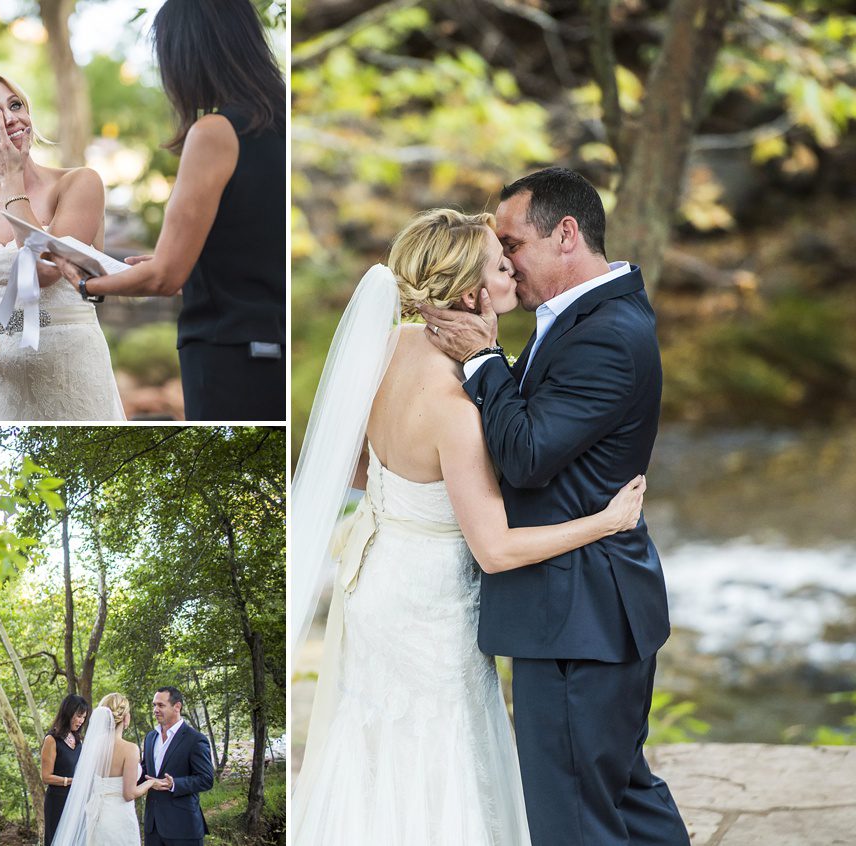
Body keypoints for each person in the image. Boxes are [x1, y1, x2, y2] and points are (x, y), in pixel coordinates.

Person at [290, 207, 649, 845]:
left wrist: (408, 494)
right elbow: (496, 549)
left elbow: (353, 467)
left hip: (378, 575)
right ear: (470, 294)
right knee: (442, 747)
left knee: (374, 742)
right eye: (501, 266)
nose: (514, 271)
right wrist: (604, 521)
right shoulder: (456, 407)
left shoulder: (387, 347)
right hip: (432, 602)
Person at [418, 168, 690, 846]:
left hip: (575, 613)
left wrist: (483, 360)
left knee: (570, 820)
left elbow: (528, 454)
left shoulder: (606, 334)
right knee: (624, 797)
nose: (504, 259)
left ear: (566, 234)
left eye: (512, 242)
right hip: (588, 607)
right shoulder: (579, 317)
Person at [48, 0, 286, 421]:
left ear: (189, 54)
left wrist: (86, 285)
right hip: (274, 349)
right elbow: (251, 249)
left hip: (227, 355)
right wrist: (187, 263)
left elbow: (163, 277)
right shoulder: (279, 121)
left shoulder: (215, 132)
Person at [0, 70, 125, 421]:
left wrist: (12, 180)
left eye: (15, 105)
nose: (10, 118)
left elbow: (44, 268)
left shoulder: (79, 183)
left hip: (72, 370)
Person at [51, 693, 160, 846]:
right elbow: (129, 794)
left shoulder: (92, 747)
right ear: (125, 717)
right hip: (119, 818)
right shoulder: (130, 749)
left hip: (96, 817)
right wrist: (151, 783)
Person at [139, 687, 213, 846]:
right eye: (154, 705)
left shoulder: (195, 739)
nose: (155, 710)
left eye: (161, 705)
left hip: (183, 827)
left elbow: (206, 779)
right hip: (153, 827)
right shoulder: (150, 737)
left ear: (177, 706)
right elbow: (145, 771)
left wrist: (174, 784)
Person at [42, 694, 90, 846]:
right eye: (79, 716)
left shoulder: (78, 740)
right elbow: (46, 777)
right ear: (68, 713)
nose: (81, 721)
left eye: (84, 717)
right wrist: (70, 781)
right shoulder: (52, 740)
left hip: (76, 801)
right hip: (58, 801)